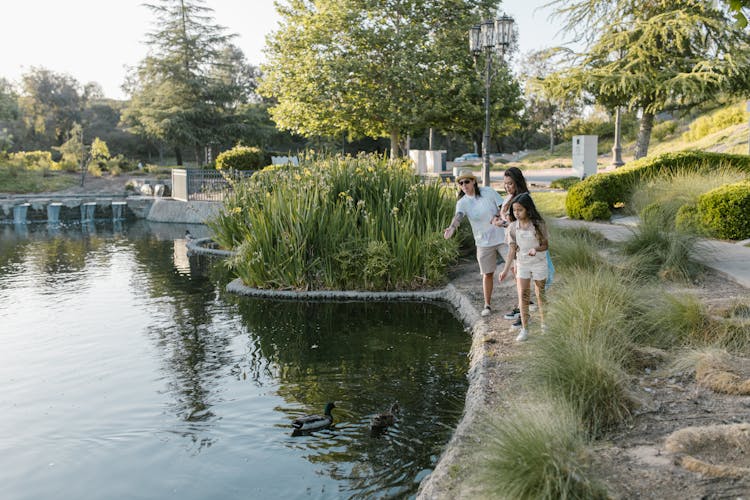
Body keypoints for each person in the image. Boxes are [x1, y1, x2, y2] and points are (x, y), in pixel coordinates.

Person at [443, 169, 505, 317]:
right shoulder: (462, 203)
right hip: (483, 242)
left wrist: (498, 216)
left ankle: (523, 303)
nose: (463, 185)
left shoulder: (488, 192)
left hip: (502, 237)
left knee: (515, 268)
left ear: (473, 182)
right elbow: (458, 216)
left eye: (466, 181)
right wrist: (452, 227)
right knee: (487, 274)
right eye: (460, 182)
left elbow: (504, 206)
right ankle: (487, 305)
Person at [498, 192, 549, 342]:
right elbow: (512, 251)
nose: (517, 213)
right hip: (522, 264)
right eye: (514, 210)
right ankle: (525, 329)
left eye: (520, 210)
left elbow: (545, 245)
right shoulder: (513, 228)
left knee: (540, 294)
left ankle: (544, 324)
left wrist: (536, 249)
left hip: (539, 263)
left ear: (527, 209)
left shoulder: (539, 225)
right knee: (523, 296)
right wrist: (505, 270)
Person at [492, 167, 535, 328]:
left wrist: (502, 223)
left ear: (517, 182)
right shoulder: (509, 197)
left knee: (522, 278)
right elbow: (504, 216)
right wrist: (497, 220)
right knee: (518, 275)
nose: (507, 187)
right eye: (505, 184)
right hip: (512, 240)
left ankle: (525, 315)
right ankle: (520, 308)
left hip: (522, 242)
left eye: (510, 183)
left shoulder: (523, 198)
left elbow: (521, 221)